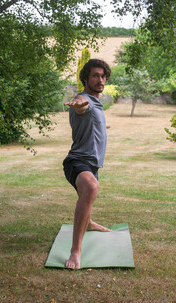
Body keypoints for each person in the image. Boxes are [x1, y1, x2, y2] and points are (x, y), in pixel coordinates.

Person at [62, 59, 112, 269]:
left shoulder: (97, 102)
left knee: (87, 197)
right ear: (85, 78)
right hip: (77, 161)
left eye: (102, 76)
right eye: (95, 76)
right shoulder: (84, 99)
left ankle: (89, 223)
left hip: (91, 163)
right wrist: (79, 105)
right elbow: (82, 106)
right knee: (91, 188)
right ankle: (75, 252)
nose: (100, 80)